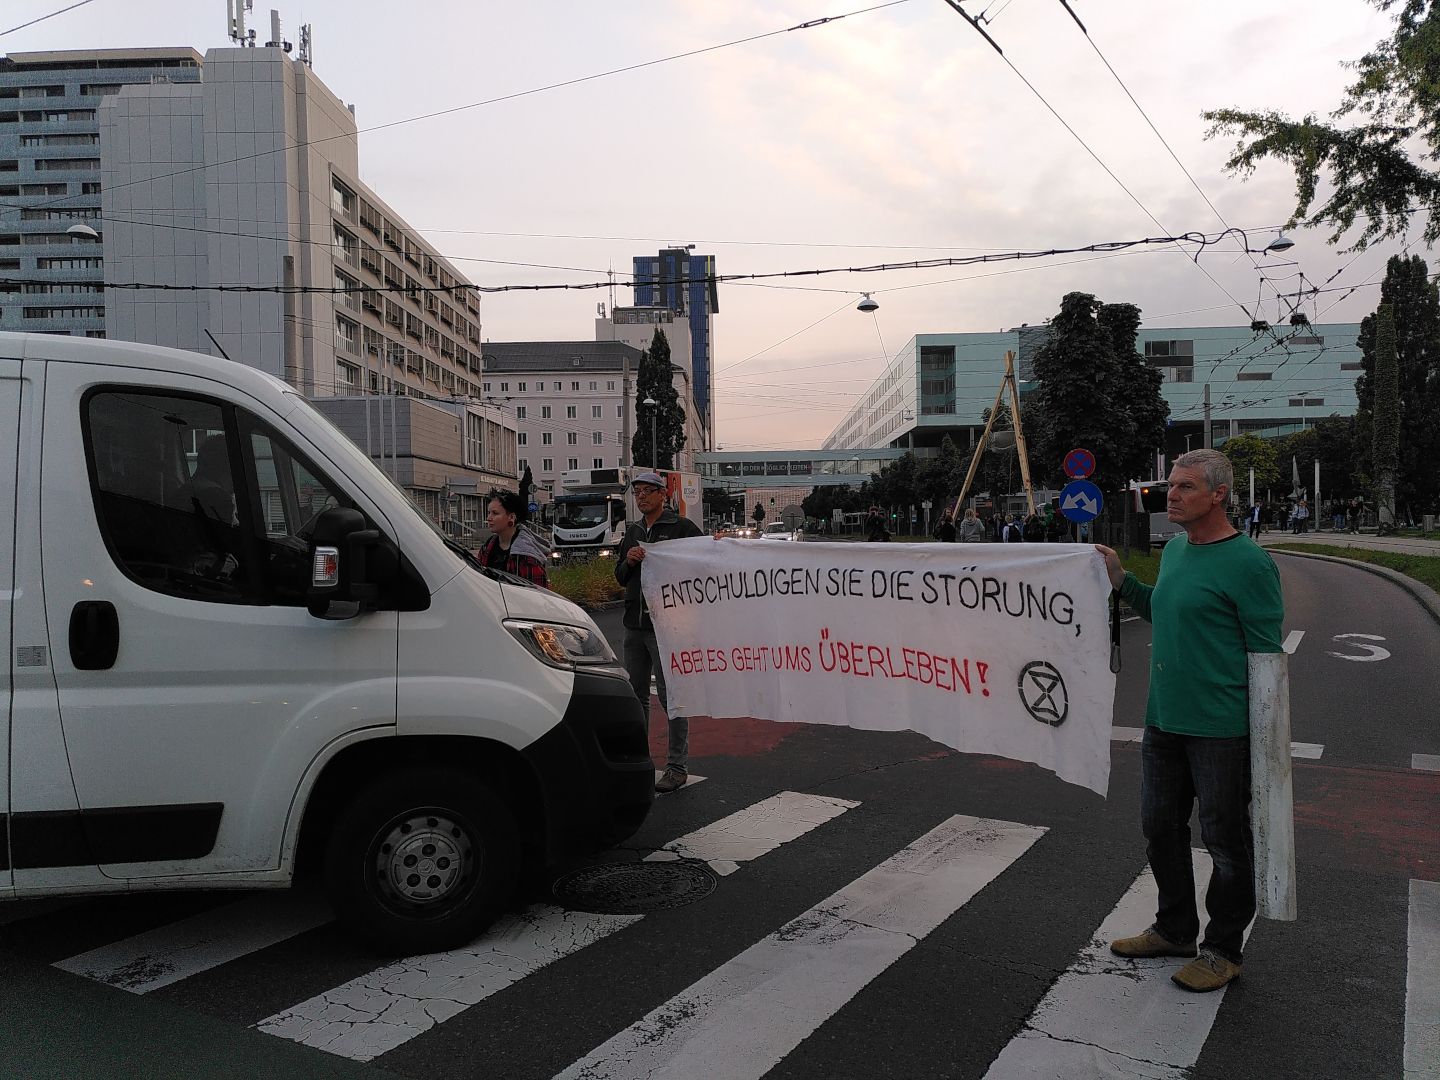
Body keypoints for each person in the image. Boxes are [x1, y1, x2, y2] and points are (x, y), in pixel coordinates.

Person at [1095, 448, 1284, 993]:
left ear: (1219, 494)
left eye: (1184, 488)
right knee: (1159, 828)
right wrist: (1121, 580)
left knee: (1224, 841)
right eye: (1170, 486)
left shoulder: (1249, 562)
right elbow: (1161, 608)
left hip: (1220, 731)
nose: (1170, 495)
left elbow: (1266, 658)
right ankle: (1175, 929)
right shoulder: (1177, 550)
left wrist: (1263, 741)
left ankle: (1223, 948)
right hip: (1163, 723)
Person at [616, 471, 705, 793]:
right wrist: (628, 561)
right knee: (637, 698)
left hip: (666, 628)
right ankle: (641, 761)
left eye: (646, 492)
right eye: (636, 492)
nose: (640, 497)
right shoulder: (634, 531)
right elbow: (620, 577)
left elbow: (702, 564)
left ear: (662, 494)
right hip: (634, 627)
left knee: (672, 698)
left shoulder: (680, 528)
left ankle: (677, 766)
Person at [479, 489, 549, 586]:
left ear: (511, 517)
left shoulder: (526, 555)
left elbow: (538, 595)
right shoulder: (488, 547)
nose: (489, 518)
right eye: (488, 513)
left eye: (495, 513)